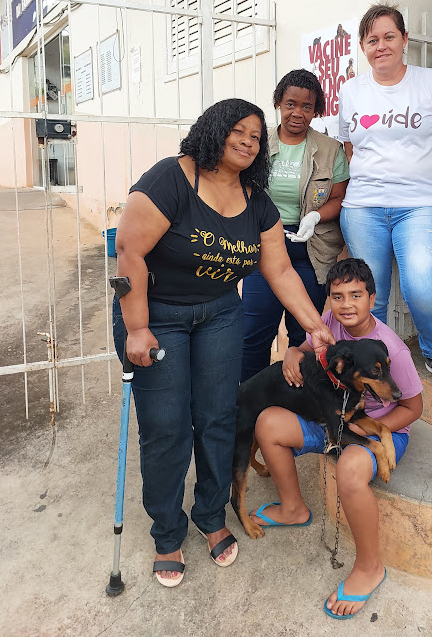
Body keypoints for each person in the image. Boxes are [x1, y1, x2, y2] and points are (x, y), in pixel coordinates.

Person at [112, 98, 335, 587]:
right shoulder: (171, 179)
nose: (248, 142)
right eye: (239, 130)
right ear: (213, 130)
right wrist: (136, 328)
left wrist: (314, 325)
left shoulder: (255, 200)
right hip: (157, 315)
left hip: (219, 314)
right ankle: (167, 531)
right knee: (167, 428)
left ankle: (211, 515)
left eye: (256, 136)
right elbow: (128, 251)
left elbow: (279, 269)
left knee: (218, 418)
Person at [249, 258, 423, 619]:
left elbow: (413, 407)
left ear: (372, 298)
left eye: (356, 295)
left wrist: (376, 429)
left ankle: (369, 567)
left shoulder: (392, 349)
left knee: (350, 467)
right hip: (334, 419)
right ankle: (293, 508)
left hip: (381, 428)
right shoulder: (328, 322)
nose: (346, 305)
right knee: (267, 423)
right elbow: (307, 350)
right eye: (337, 296)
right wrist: (293, 352)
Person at [338, 4, 432, 394]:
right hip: (363, 208)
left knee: (422, 290)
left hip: (421, 205)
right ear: (363, 46)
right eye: (372, 40)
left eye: (389, 37)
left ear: (405, 39)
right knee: (370, 296)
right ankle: (371, 367)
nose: (381, 46)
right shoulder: (352, 90)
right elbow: (350, 148)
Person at [240, 70, 349, 382]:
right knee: (254, 332)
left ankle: (297, 397)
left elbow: (340, 197)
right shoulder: (257, 143)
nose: (297, 113)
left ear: (316, 110)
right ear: (278, 103)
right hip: (264, 246)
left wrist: (315, 216)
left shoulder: (330, 149)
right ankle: (251, 397)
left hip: (311, 251)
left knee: (304, 335)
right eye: (290, 104)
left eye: (306, 106)